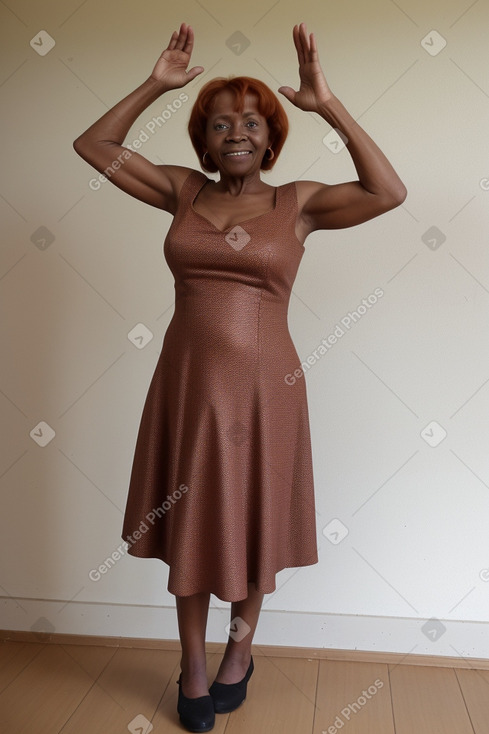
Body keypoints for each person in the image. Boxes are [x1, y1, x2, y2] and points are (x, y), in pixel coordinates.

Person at [73, 21, 406, 733]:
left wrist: (329, 104)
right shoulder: (182, 192)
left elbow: (387, 191)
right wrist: (155, 86)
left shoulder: (301, 203)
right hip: (188, 387)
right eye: (220, 123)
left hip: (266, 393)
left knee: (252, 521)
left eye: (250, 121)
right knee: (191, 522)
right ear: (203, 139)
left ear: (270, 137)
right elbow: (92, 148)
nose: (236, 132)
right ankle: (192, 662)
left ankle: (238, 650)